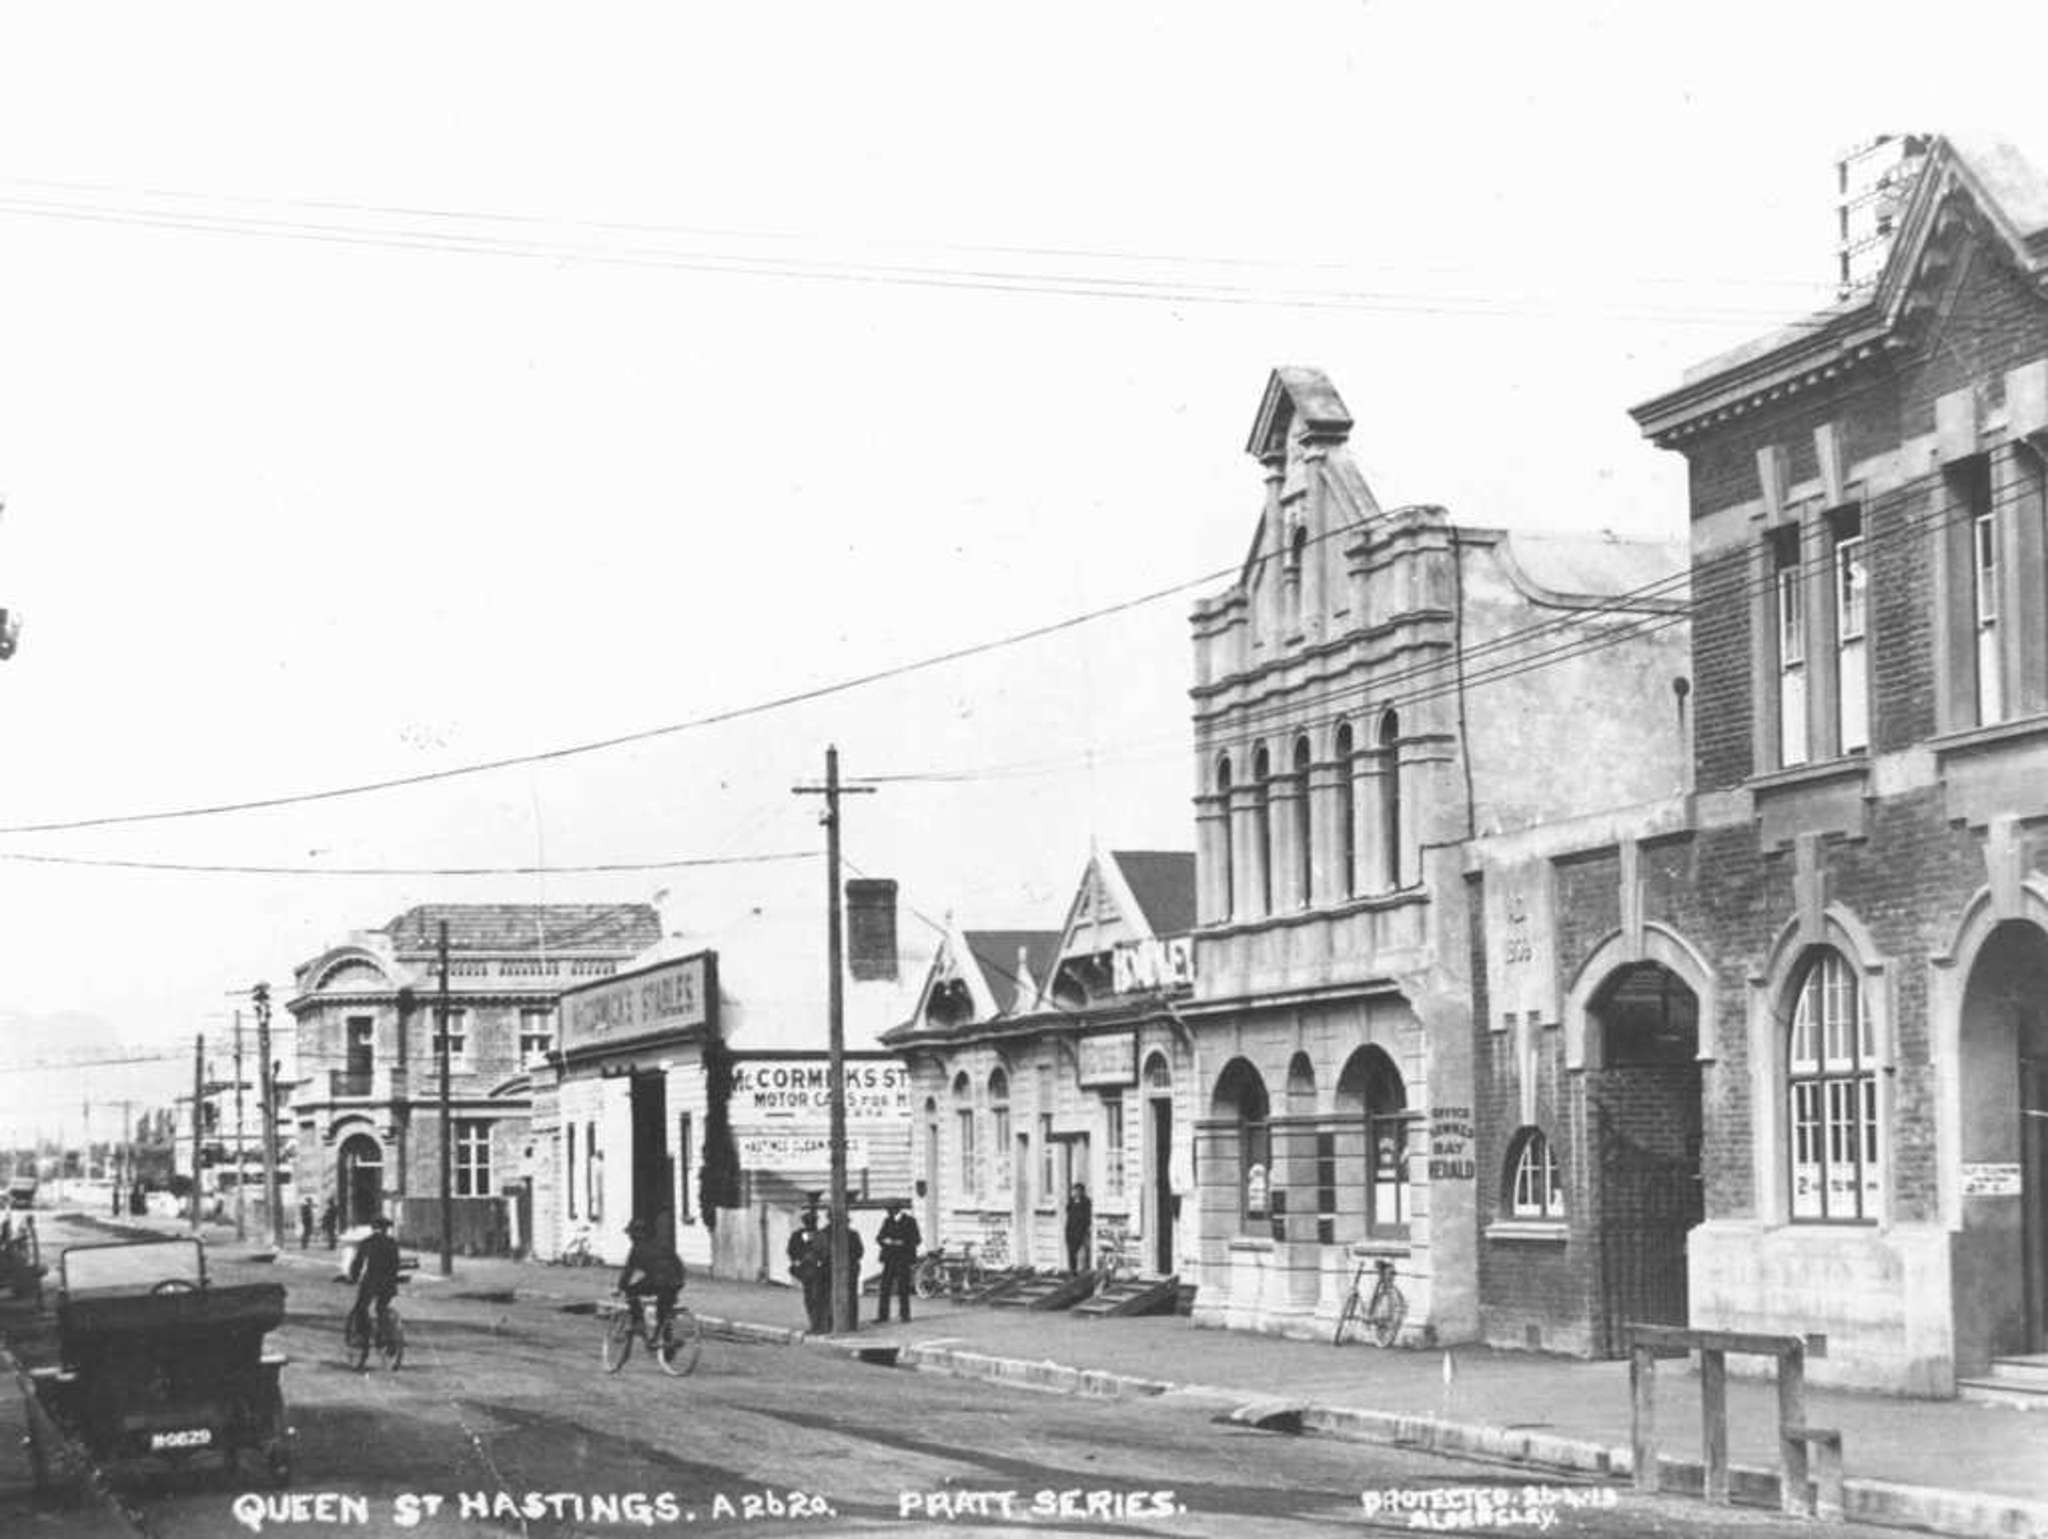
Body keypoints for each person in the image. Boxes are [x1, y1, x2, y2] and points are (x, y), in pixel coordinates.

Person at [616, 1217, 685, 1339]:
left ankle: (638, 1321)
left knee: (631, 1291)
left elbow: (628, 1271)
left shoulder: (637, 1249)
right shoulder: (663, 1244)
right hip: (676, 1281)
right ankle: (665, 1344)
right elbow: (678, 1264)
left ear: (635, 1235)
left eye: (631, 1234)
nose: (630, 1237)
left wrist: (620, 1287)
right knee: (663, 1311)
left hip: (658, 1281)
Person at [345, 1214, 402, 1348]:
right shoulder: (392, 1242)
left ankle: (360, 1336)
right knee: (381, 1308)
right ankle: (388, 1334)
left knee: (361, 1307)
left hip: (372, 1281)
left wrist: (353, 1277)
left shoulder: (368, 1242)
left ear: (373, 1228)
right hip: (388, 1283)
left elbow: (358, 1263)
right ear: (387, 1229)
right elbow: (395, 1263)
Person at [874, 1198, 920, 1325]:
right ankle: (883, 1315)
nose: (888, 1212)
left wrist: (902, 1243)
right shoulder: (887, 1221)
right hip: (889, 1258)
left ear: (896, 1209)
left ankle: (905, 1314)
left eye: (889, 1209)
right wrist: (885, 1241)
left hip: (903, 1258)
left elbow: (916, 1239)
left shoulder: (910, 1221)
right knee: (885, 1287)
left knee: (903, 1287)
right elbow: (879, 1237)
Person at [787, 1208, 829, 1333]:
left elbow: (825, 1253)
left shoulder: (820, 1235)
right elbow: (792, 1250)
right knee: (810, 1298)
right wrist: (799, 1259)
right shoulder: (799, 1235)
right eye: (808, 1222)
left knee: (816, 1298)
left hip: (818, 1271)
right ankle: (814, 1324)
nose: (810, 1225)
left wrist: (819, 1261)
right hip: (806, 1271)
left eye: (812, 1222)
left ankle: (818, 1325)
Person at [826, 1208, 865, 1332]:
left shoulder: (852, 1234)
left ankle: (850, 1323)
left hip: (849, 1269)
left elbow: (859, 1251)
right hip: (831, 1269)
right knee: (830, 1296)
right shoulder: (824, 1233)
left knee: (850, 1296)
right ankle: (834, 1323)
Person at [1065, 1181, 1093, 1273]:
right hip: (1071, 1230)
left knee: (1082, 1251)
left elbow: (1087, 1217)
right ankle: (1072, 1271)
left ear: (1082, 1191)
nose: (1076, 1192)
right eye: (1075, 1190)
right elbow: (1068, 1212)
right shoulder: (1071, 1201)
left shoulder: (1086, 1202)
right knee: (1071, 1251)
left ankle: (1082, 1270)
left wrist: (1085, 1228)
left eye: (1078, 1191)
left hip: (1081, 1230)